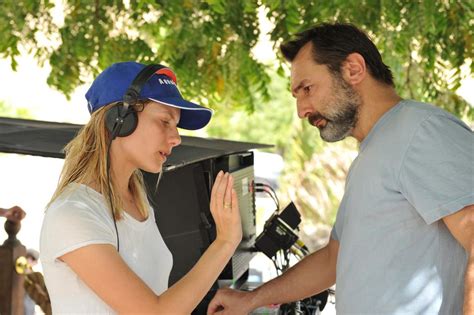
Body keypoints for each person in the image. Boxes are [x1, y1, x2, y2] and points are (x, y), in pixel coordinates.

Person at [208, 23, 473, 315]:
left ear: (354, 70)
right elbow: (333, 259)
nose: (301, 110)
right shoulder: (371, 153)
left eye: (307, 89)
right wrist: (251, 299)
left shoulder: (421, 130)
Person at [39, 61, 242, 314]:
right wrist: (225, 242)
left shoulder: (139, 204)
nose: (176, 138)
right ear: (120, 120)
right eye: (164, 122)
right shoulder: (73, 213)